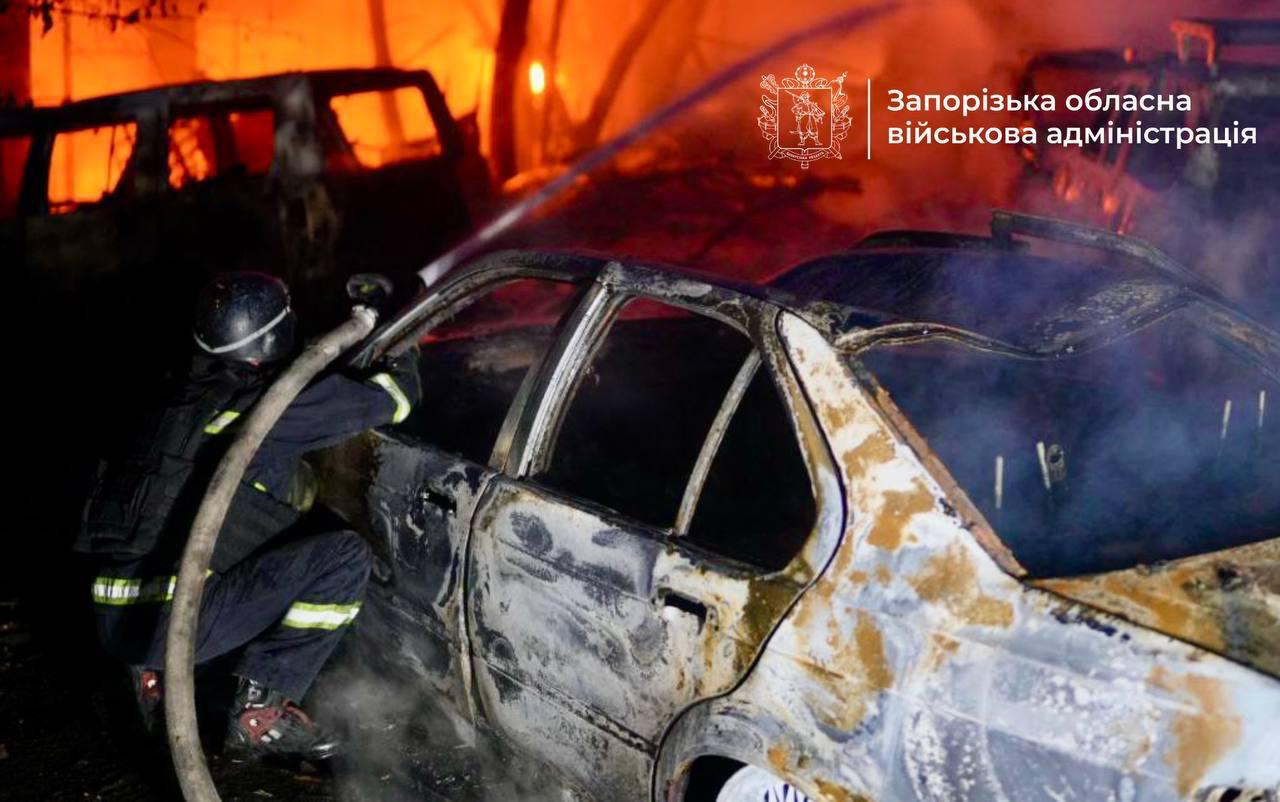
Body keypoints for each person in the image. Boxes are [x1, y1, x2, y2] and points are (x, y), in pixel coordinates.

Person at [76, 272, 420, 761]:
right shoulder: (264, 411)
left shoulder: (173, 399)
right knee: (342, 558)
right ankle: (260, 709)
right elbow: (395, 398)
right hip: (177, 620)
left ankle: (154, 676)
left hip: (116, 619)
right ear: (277, 331)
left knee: (256, 534)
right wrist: (406, 339)